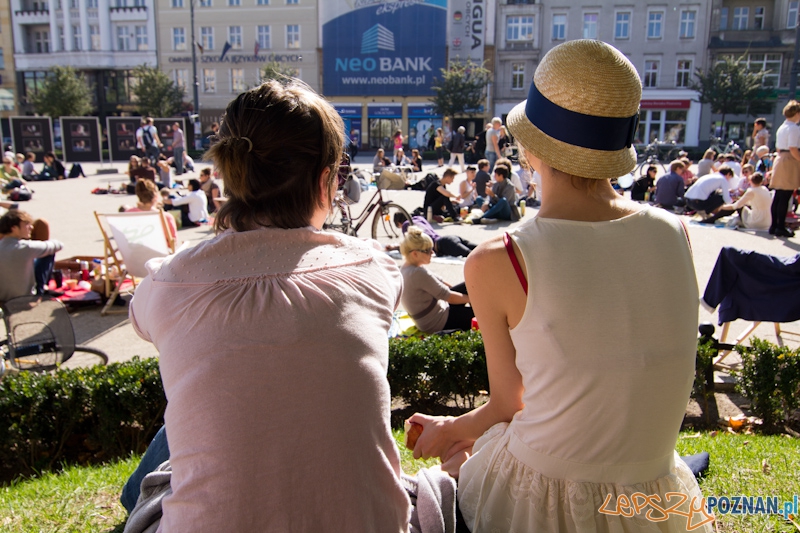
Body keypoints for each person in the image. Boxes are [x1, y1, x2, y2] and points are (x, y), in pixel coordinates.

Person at [407, 40, 711, 532]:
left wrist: (450, 430)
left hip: (546, 493)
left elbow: (510, 405)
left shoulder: (501, 259)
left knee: (453, 471)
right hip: (653, 490)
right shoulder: (675, 232)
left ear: (530, 148)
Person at [124, 79, 439, 532]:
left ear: (231, 172)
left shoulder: (168, 281)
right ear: (327, 179)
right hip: (371, 522)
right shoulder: (376, 269)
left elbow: (142, 318)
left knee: (171, 439)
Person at [399, 226, 473, 333]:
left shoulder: (409, 267)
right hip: (437, 321)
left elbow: (441, 283)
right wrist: (472, 299)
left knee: (470, 285)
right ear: (415, 253)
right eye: (428, 250)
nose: (432, 253)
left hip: (438, 311)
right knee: (481, 314)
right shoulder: (417, 273)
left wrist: (467, 293)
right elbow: (448, 296)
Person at [0, 210, 63, 302]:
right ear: (14, 228)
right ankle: (41, 290)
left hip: (3, 298)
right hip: (26, 298)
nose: (31, 227)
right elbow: (58, 245)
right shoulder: (27, 247)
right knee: (48, 252)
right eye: (26, 225)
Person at [769, 100, 800, 237]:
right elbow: (793, 148)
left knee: (778, 195)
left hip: (780, 158)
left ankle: (774, 225)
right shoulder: (794, 128)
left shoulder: (782, 127)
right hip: (789, 160)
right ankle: (780, 226)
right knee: (785, 195)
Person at [394, 212, 477, 257]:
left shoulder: (406, 225)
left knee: (471, 255)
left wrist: (395, 247)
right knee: (478, 249)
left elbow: (409, 246)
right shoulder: (419, 218)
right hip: (449, 238)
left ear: (399, 223)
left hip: (443, 245)